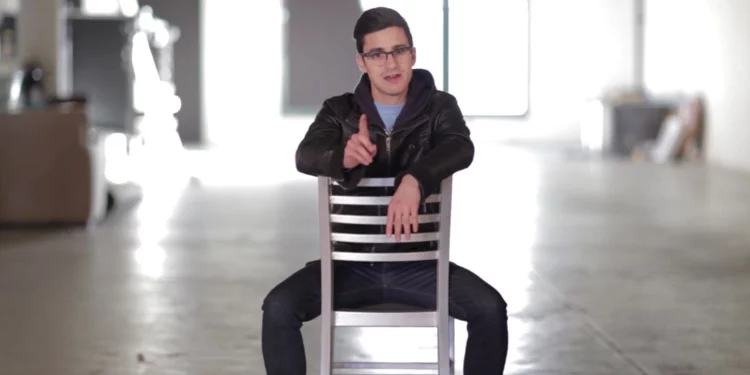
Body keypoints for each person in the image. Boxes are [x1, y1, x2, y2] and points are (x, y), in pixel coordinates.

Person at [262, 7, 509, 375]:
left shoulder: (440, 107)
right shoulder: (338, 112)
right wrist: (340, 156)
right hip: (348, 269)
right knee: (278, 307)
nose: (390, 63)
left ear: (413, 54)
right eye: (377, 54)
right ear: (361, 61)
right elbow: (305, 155)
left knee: (490, 309)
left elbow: (460, 146)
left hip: (420, 268)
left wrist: (416, 178)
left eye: (399, 51)